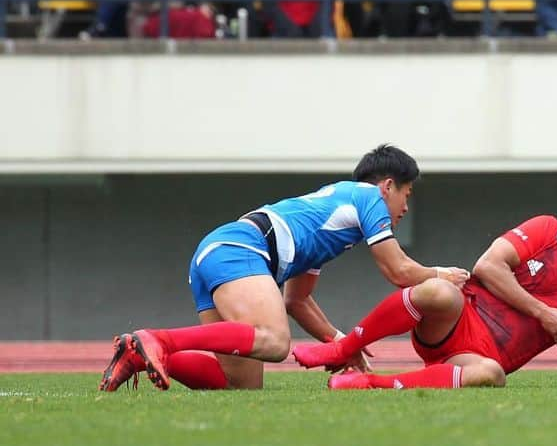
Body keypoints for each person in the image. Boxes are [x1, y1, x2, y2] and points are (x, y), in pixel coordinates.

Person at [99, 144, 472, 392]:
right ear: (388, 186)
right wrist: (441, 274)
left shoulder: (337, 219)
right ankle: (159, 340)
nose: (405, 207)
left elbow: (298, 300)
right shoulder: (368, 197)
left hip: (220, 251)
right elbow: (399, 272)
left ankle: (136, 351)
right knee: (275, 342)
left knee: (241, 385)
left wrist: (340, 344)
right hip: (238, 249)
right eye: (406, 195)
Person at [292, 173, 557, 391]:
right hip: (455, 317)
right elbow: (487, 266)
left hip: (478, 357)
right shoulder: (549, 231)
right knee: (440, 289)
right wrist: (543, 312)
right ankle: (342, 350)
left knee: (492, 376)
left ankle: (372, 385)